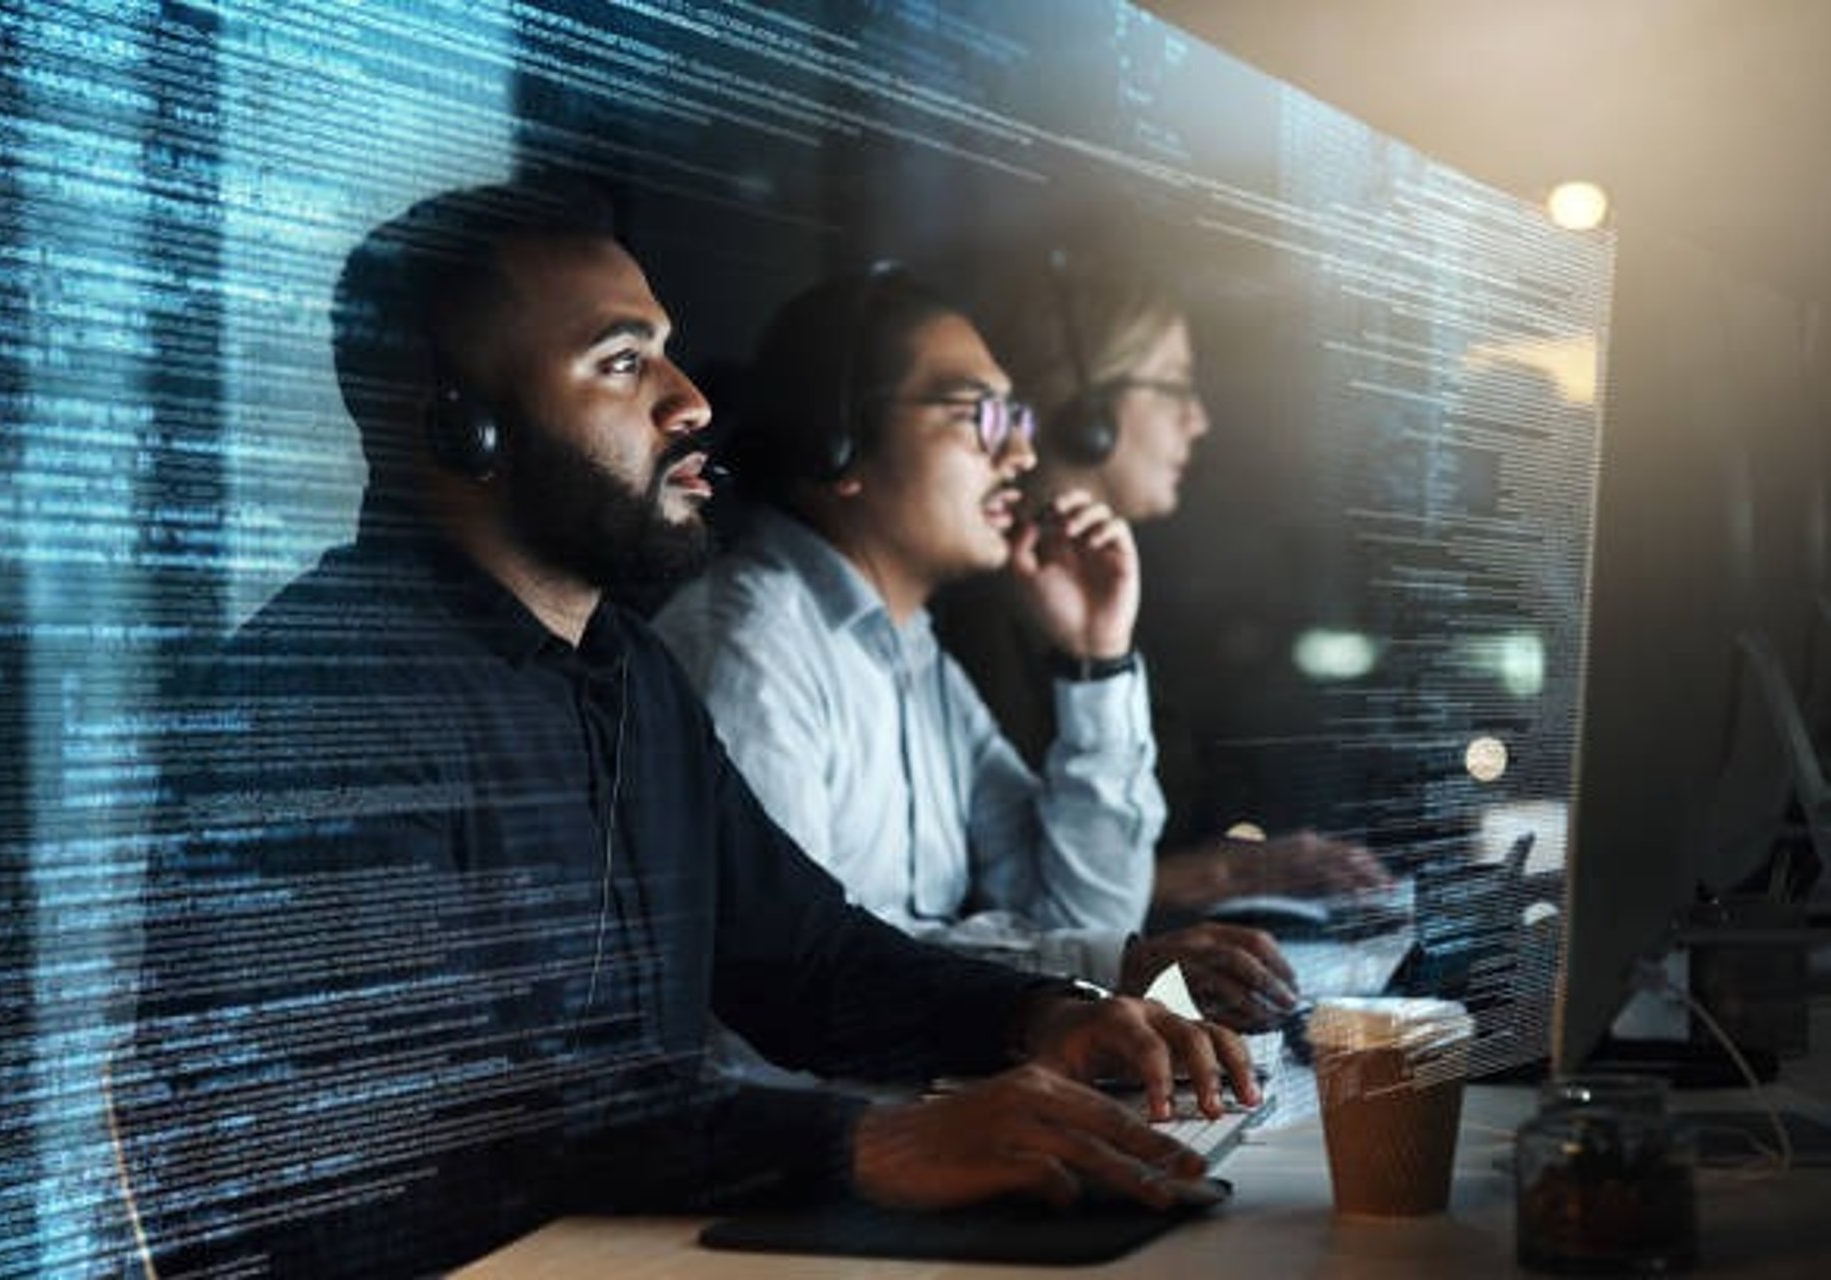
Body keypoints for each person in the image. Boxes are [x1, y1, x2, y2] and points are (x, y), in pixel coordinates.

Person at [117, 184, 1259, 1278]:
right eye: (622, 362)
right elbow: (431, 1109)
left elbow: (803, 956)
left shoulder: (629, 675)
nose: (690, 400)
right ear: (464, 426)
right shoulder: (317, 697)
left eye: (665, 348)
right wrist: (860, 1147)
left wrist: (1039, 1013)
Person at [653, 266, 1297, 1033]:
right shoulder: (751, 649)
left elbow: (1080, 908)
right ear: (843, 444)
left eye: (1019, 421)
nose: (1020, 457)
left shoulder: (914, 656)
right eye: (983, 418)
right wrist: (1110, 968)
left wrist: (1096, 661)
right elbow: (794, 986)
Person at [933, 250, 1392, 918]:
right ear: (1088, 408)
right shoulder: (985, 612)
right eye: (1175, 386)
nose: (1197, 420)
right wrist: (1221, 875)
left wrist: (1242, 865)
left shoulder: (1102, 590)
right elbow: (1001, 893)